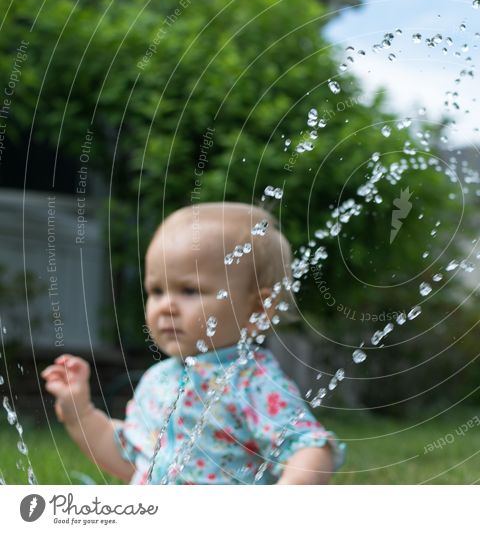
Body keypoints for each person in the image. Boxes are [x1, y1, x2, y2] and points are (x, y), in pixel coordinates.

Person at [41, 202, 343, 484]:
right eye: (157, 291)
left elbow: (309, 448)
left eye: (189, 290)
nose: (166, 306)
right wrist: (79, 411)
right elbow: (132, 461)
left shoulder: (253, 381)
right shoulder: (157, 380)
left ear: (257, 309)